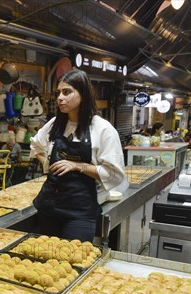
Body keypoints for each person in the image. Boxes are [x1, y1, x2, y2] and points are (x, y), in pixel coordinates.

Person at [30, 69, 125, 242]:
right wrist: (48, 164)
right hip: (48, 206)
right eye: (58, 92)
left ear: (83, 94)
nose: (60, 98)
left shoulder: (102, 129)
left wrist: (78, 166)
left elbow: (114, 173)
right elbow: (36, 145)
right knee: (45, 262)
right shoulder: (55, 124)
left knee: (74, 262)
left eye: (67, 92)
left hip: (79, 212)